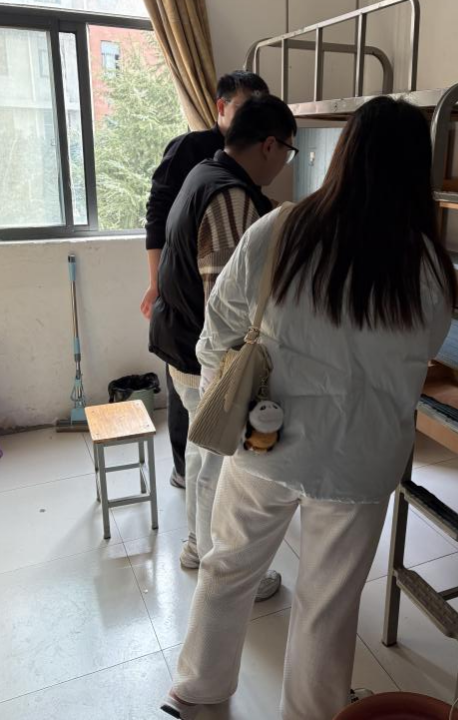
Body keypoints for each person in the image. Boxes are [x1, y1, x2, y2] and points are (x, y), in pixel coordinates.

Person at [161, 97, 457, 720]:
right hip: (361, 461)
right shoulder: (428, 264)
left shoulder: (281, 229)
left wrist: (228, 393)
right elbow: (425, 349)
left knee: (228, 568)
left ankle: (196, 691)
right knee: (329, 603)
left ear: (344, 154)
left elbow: (217, 330)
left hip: (267, 442)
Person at [151, 94, 299, 603]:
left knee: (200, 453)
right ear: (269, 144)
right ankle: (226, 572)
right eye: (288, 152)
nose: (284, 164)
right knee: (219, 464)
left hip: (179, 340)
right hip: (204, 352)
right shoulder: (231, 196)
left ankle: (197, 546)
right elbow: (225, 298)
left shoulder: (205, 172)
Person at [142, 71, 270, 489]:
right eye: (246, 107)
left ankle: (195, 471)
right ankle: (185, 469)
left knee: (198, 396)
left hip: (197, 295)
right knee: (191, 389)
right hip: (183, 291)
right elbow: (159, 218)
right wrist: (156, 282)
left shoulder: (243, 165)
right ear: (221, 107)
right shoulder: (193, 151)